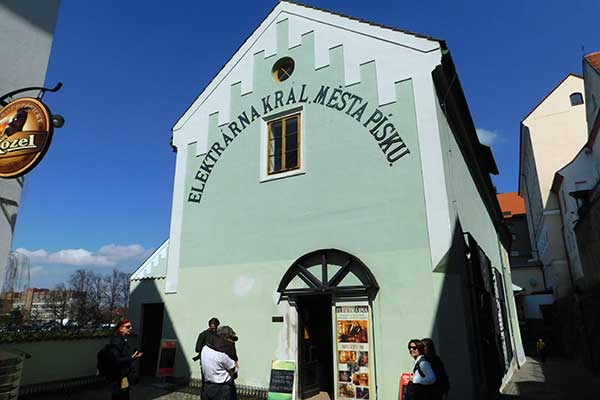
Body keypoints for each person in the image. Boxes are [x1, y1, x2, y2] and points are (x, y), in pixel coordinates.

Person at [201, 325, 239, 400]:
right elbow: (234, 371)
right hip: (222, 390)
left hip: (207, 387)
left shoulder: (205, 349)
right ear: (225, 337)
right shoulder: (223, 355)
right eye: (230, 339)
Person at [109, 319, 142, 400]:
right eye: (127, 327)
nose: (130, 328)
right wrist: (131, 358)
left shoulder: (123, 339)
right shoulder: (117, 340)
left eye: (130, 326)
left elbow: (124, 356)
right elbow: (115, 359)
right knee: (120, 396)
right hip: (119, 375)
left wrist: (134, 357)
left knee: (123, 395)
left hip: (123, 374)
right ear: (121, 328)